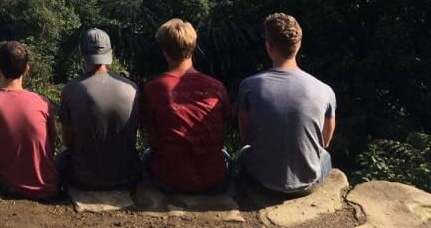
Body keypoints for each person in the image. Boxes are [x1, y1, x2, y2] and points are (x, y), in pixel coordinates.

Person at [237, 13, 336, 196]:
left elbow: (246, 138)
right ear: (298, 45)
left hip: (262, 182)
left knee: (243, 153)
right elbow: (325, 142)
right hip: (306, 185)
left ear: (269, 46)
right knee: (325, 156)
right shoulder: (325, 90)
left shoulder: (249, 85)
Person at [140, 19, 232, 194]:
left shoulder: (154, 89)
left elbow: (153, 141)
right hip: (214, 180)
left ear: (165, 51)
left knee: (146, 156)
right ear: (193, 47)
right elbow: (222, 134)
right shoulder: (216, 87)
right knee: (226, 155)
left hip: (170, 181)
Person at [0, 41, 58, 199]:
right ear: (27, 69)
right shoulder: (42, 102)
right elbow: (51, 144)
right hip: (47, 185)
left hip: (8, 186)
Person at [56, 28, 140, 190]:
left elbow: (69, 141)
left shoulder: (71, 89)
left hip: (84, 180)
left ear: (81, 53)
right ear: (111, 52)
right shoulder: (132, 88)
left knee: (60, 158)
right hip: (128, 177)